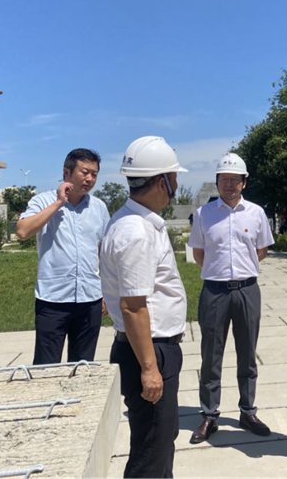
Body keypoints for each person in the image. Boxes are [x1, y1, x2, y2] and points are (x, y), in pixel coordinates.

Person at [100, 136, 188, 479]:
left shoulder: (132, 221)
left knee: (161, 442)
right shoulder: (136, 231)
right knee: (150, 453)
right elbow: (133, 307)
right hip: (149, 352)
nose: (176, 184)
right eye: (174, 177)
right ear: (162, 182)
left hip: (151, 348)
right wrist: (150, 369)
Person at [187, 153, 275, 443]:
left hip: (247, 290)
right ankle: (209, 415)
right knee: (211, 355)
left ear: (243, 182)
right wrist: (218, 273)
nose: (229, 184)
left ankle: (248, 411)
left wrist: (242, 271)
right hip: (214, 291)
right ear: (217, 182)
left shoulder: (256, 213)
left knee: (248, 354)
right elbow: (198, 253)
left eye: (234, 179)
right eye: (224, 179)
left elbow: (261, 250)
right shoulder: (203, 214)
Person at [17, 148, 110, 365]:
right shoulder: (43, 201)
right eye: (84, 172)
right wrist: (59, 203)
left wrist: (106, 291)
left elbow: (103, 252)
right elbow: (22, 232)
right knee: (46, 367)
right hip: (53, 299)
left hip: (90, 299)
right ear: (66, 172)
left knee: (83, 366)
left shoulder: (99, 207)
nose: (89, 179)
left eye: (94, 174)